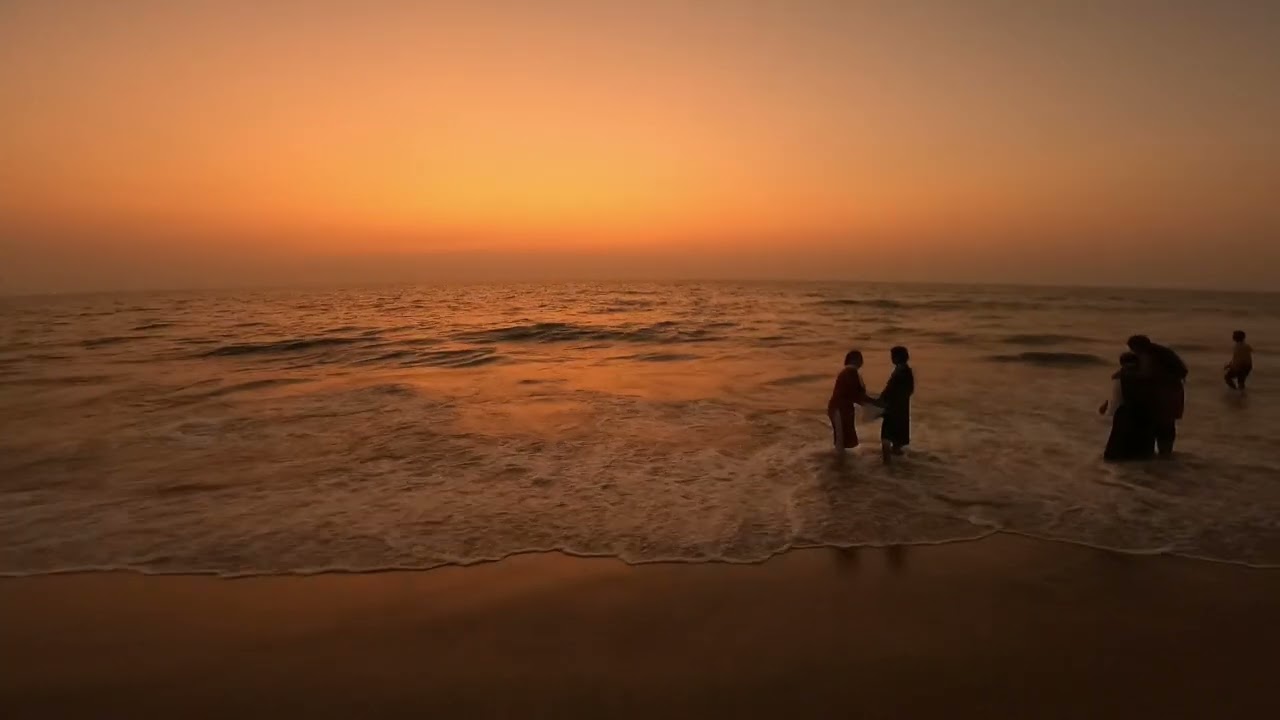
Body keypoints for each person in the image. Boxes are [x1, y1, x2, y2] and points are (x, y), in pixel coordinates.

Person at [1127, 335, 1187, 457]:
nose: (1132, 352)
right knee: (1167, 424)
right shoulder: (1161, 352)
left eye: (1133, 348)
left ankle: (1163, 454)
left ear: (1138, 346)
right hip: (1174, 391)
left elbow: (1148, 375)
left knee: (1161, 425)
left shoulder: (1149, 356)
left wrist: (1127, 374)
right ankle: (1166, 453)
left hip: (1164, 393)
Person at [1099, 352, 1155, 461]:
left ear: (1122, 363)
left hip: (1126, 413)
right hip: (1144, 414)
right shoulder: (1146, 376)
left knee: (1118, 449)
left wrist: (1108, 410)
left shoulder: (1120, 377)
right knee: (1140, 450)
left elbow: (1116, 399)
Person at [828, 350, 874, 450]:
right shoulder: (850, 372)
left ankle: (840, 459)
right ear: (855, 360)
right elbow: (856, 394)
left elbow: (856, 394)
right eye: (860, 358)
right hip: (839, 409)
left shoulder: (849, 372)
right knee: (841, 437)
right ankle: (839, 461)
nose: (862, 361)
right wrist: (873, 403)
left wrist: (870, 402)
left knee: (842, 436)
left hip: (841, 408)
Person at [876, 346, 915, 463]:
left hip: (892, 410)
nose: (891, 359)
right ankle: (898, 469)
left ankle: (887, 466)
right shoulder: (906, 371)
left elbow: (889, 391)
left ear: (897, 357)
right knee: (897, 440)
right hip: (902, 409)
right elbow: (910, 390)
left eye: (893, 356)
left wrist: (880, 401)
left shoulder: (900, 372)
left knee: (886, 438)